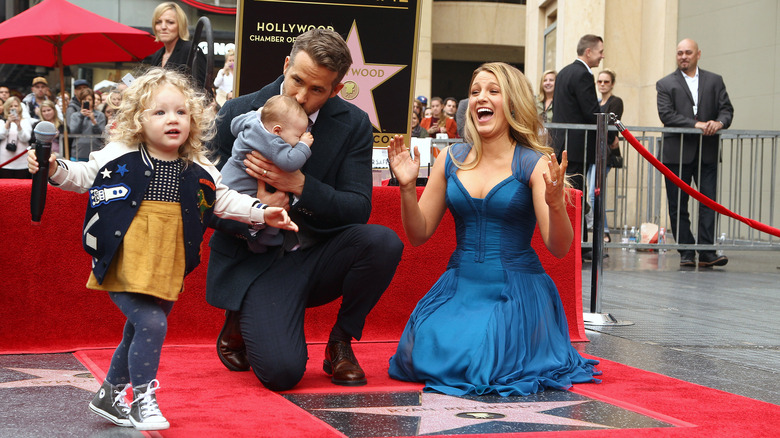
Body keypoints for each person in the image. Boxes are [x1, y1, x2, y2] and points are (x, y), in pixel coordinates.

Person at [27, 67, 298, 431]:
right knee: (151, 323)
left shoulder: (197, 166)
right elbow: (82, 175)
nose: (173, 119)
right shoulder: (120, 153)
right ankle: (141, 399)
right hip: (124, 259)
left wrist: (264, 213)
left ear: (194, 119)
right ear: (139, 118)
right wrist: (52, 166)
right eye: (160, 112)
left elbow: (224, 200)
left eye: (181, 112)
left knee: (138, 329)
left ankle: (108, 394)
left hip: (168, 262)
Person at [386, 62, 600, 396]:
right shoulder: (451, 158)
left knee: (482, 360)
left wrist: (557, 204)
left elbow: (559, 248)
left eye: (492, 91)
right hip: (459, 287)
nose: (480, 98)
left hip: (515, 290)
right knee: (418, 353)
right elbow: (418, 233)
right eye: (475, 92)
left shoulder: (534, 162)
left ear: (512, 104)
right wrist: (406, 187)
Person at [207, 28, 403, 391]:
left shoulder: (354, 125)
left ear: (336, 90)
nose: (301, 95)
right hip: (256, 260)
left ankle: (341, 342)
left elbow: (358, 208)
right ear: (285, 65)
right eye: (296, 80)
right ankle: (240, 313)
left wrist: (299, 186)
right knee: (283, 374)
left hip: (317, 253)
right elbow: (202, 201)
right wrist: (253, 212)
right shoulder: (238, 111)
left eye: (317, 90)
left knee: (383, 242)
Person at [657, 38, 733, 268]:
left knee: (709, 202)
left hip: (707, 153)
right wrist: (697, 124)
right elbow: (666, 115)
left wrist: (719, 123)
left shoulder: (715, 80)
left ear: (698, 54)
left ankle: (707, 251)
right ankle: (687, 252)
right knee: (677, 204)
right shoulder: (665, 83)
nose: (683, 56)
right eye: (679, 53)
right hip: (676, 154)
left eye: (688, 52)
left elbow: (727, 110)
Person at [221, 94, 314, 253]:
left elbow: (234, 125)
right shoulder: (272, 141)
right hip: (243, 186)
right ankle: (265, 238)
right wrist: (304, 146)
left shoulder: (252, 121)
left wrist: (260, 114)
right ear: (277, 130)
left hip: (228, 177)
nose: (298, 139)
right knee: (270, 210)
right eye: (297, 136)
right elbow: (290, 162)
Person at [550, 34, 604, 261]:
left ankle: (576, 242)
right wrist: (607, 132)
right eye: (600, 51)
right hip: (577, 146)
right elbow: (590, 111)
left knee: (570, 193)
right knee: (576, 194)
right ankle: (578, 244)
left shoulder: (563, 72)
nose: (602, 56)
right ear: (589, 52)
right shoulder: (582, 74)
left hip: (563, 144)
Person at [586, 68, 624, 240]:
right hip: (592, 152)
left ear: (612, 84)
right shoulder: (596, 101)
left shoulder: (616, 101)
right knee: (591, 194)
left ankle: (604, 231)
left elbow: (609, 125)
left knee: (596, 193)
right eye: (599, 81)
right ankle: (602, 230)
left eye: (606, 81)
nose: (602, 84)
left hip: (604, 154)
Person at [144, 2, 206, 90]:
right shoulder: (157, 55)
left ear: (180, 25)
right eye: (158, 22)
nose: (163, 27)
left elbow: (203, 91)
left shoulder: (191, 50)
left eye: (170, 22)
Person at [68, 87, 107, 161]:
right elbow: (73, 132)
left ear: (93, 100)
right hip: (78, 153)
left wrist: (94, 121)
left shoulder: (100, 115)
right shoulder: (75, 115)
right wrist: (81, 117)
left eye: (89, 100)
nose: (87, 102)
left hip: (95, 153)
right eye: (84, 100)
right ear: (80, 101)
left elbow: (101, 134)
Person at [0, 96, 33, 179]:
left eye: (16, 106)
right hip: (5, 161)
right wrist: (7, 123)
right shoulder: (2, 121)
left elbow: (26, 138)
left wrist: (19, 126)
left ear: (20, 107)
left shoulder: (25, 121)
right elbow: (1, 135)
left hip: (22, 162)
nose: (13, 108)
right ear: (7, 108)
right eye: (11, 106)